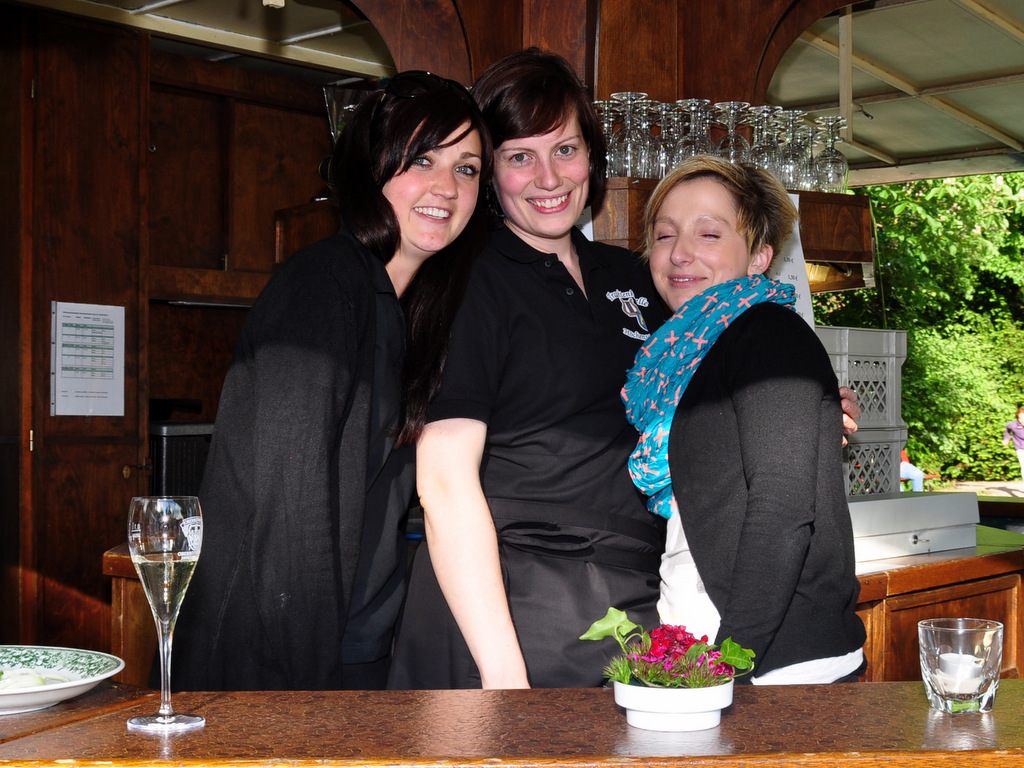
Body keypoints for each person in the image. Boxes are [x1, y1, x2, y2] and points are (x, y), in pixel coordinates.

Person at [388, 49, 861, 689]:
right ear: (490, 173)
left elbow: (712, 395)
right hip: (510, 601)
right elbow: (444, 484)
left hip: (633, 598)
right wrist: (504, 677)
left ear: (592, 156)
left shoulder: (638, 279)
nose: (548, 177)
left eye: (566, 149)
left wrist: (801, 412)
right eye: (520, 156)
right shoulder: (466, 283)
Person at [171, 70, 492, 691]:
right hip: (281, 664)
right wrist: (307, 697)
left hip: (351, 645)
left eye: (467, 168)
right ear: (370, 167)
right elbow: (290, 509)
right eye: (421, 160)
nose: (446, 187)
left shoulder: (403, 308)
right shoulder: (323, 286)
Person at [623, 156, 865, 685]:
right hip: (705, 641)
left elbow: (783, 510)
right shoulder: (679, 360)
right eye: (665, 235)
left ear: (759, 257)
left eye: (709, 234)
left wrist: (729, 663)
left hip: (775, 665)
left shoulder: (769, 334)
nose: (680, 252)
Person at [1004, 405, 1024, 481]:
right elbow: (1007, 430)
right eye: (1020, 418)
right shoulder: (1013, 425)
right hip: (1020, 448)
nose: (1022, 420)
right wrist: (1006, 438)